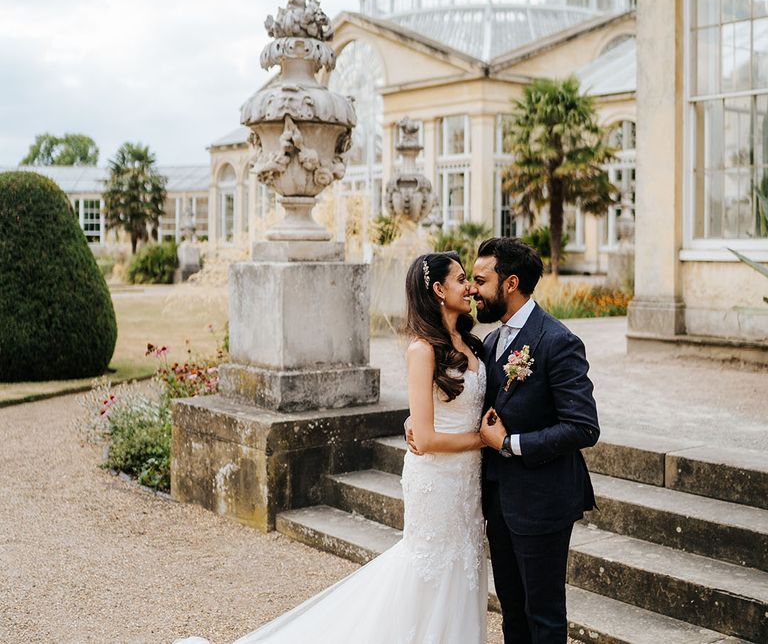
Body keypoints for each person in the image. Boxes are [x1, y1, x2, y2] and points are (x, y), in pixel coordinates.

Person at [175, 251, 490, 644]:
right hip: (438, 483)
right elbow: (424, 439)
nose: (470, 287)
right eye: (462, 279)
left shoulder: (475, 345)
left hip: (469, 483)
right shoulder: (422, 350)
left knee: (465, 566)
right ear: (440, 290)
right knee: (430, 569)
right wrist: (482, 439)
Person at [469, 237, 600, 644]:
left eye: (480, 280)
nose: (473, 289)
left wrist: (511, 444)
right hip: (499, 501)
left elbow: (583, 427)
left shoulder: (557, 341)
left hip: (543, 502)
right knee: (512, 612)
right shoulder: (490, 342)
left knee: (543, 615)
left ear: (509, 283)